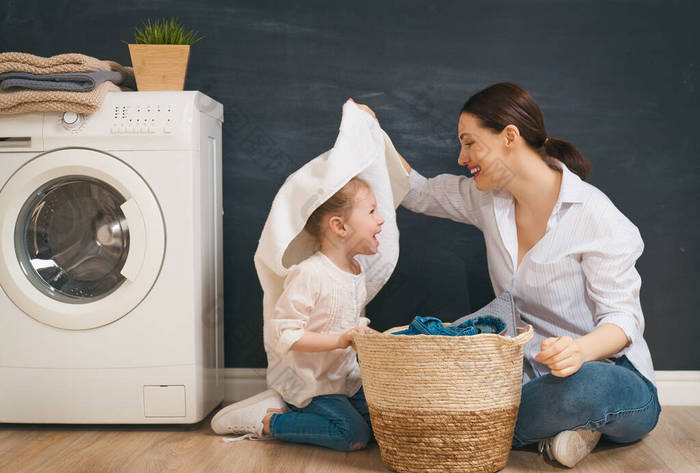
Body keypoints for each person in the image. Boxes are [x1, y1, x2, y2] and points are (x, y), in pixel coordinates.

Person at [353, 83, 660, 468]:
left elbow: (623, 319)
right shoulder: (488, 200)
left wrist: (579, 351)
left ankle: (471, 428)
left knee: (586, 387)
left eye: (470, 143)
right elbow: (418, 191)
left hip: (611, 377)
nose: (462, 157)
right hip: (526, 380)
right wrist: (371, 131)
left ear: (509, 137)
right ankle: (560, 434)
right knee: (404, 389)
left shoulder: (596, 216)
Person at [211, 177, 380, 452]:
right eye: (372, 211)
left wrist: (363, 333)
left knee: (382, 426)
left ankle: (292, 411)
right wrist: (340, 340)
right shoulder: (310, 273)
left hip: (345, 380)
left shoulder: (356, 272)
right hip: (312, 383)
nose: (380, 219)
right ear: (340, 226)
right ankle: (269, 421)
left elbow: (348, 318)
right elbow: (286, 334)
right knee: (352, 435)